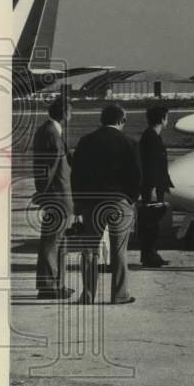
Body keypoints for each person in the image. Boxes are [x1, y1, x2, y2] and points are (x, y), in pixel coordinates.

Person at [71, 104, 142, 305]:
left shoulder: (86, 142)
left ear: (102, 120)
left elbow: (77, 175)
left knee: (90, 250)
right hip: (119, 202)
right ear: (121, 121)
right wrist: (131, 198)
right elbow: (136, 175)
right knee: (119, 250)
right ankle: (119, 294)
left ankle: (87, 294)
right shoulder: (129, 142)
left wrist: (78, 201)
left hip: (92, 203)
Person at [32, 95, 75, 300]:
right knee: (52, 241)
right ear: (65, 112)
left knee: (58, 241)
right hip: (57, 196)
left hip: (60, 195)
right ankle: (49, 286)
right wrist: (42, 192)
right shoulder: (51, 133)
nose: (72, 114)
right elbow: (47, 168)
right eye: (71, 111)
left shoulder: (51, 131)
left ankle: (56, 283)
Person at [138, 106, 174, 267]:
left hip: (154, 185)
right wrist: (152, 188)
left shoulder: (151, 136)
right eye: (166, 117)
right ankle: (149, 255)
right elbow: (151, 165)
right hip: (151, 187)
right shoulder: (152, 138)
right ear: (162, 119)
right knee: (150, 223)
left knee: (151, 222)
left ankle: (150, 254)